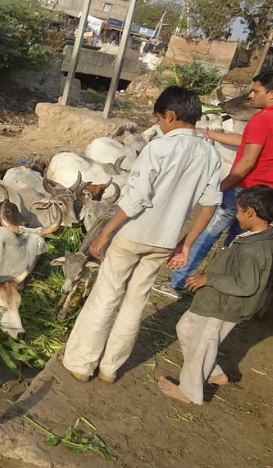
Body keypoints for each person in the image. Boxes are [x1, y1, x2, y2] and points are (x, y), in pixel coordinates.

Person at [61, 86, 223, 383]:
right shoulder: (210, 155)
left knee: (106, 297)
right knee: (136, 302)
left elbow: (136, 199)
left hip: (132, 234)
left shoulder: (158, 148)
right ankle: (110, 368)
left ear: (170, 116)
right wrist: (185, 246)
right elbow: (210, 205)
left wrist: (105, 233)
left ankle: (82, 364)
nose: (159, 125)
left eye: (159, 119)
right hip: (163, 241)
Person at [153, 71, 273, 299]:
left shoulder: (262, 119)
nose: (251, 94)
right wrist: (210, 133)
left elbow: (247, 161)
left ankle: (177, 282)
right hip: (266, 196)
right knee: (239, 243)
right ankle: (221, 288)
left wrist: (221, 186)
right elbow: (247, 142)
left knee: (206, 233)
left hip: (243, 190)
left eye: (256, 90)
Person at [159, 185, 273, 404]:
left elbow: (246, 285)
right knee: (186, 328)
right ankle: (214, 373)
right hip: (216, 300)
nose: (236, 215)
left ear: (250, 212)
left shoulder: (255, 249)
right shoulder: (254, 237)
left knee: (203, 346)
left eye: (239, 211)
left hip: (226, 306)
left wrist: (208, 279)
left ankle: (189, 392)